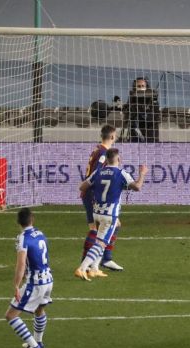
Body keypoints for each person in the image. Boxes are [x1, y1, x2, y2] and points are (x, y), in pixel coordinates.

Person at [75, 148, 147, 281]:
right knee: (101, 243)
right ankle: (82, 268)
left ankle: (94, 269)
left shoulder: (98, 172)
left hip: (96, 212)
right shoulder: (121, 173)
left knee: (100, 239)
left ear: (106, 159)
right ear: (118, 159)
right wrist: (142, 174)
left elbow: (82, 187)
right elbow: (137, 187)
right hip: (109, 215)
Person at [4, 208, 52, 348]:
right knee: (39, 310)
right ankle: (38, 342)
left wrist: (17, 285)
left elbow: (21, 264)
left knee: (11, 315)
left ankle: (33, 347)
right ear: (33, 219)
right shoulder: (40, 233)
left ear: (18, 222)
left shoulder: (22, 237)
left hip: (35, 283)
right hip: (48, 279)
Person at [80, 124, 124, 275]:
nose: (116, 137)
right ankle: (92, 263)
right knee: (101, 228)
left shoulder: (97, 150)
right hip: (93, 195)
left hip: (90, 194)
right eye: (115, 135)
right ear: (112, 136)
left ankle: (95, 265)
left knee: (103, 228)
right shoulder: (104, 153)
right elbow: (96, 173)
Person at [126, 77, 160, 143]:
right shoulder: (132, 99)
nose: (141, 88)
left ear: (146, 87)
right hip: (136, 133)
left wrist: (145, 114)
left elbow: (156, 116)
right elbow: (130, 115)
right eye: (138, 86)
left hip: (150, 134)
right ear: (135, 87)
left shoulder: (153, 99)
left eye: (143, 86)